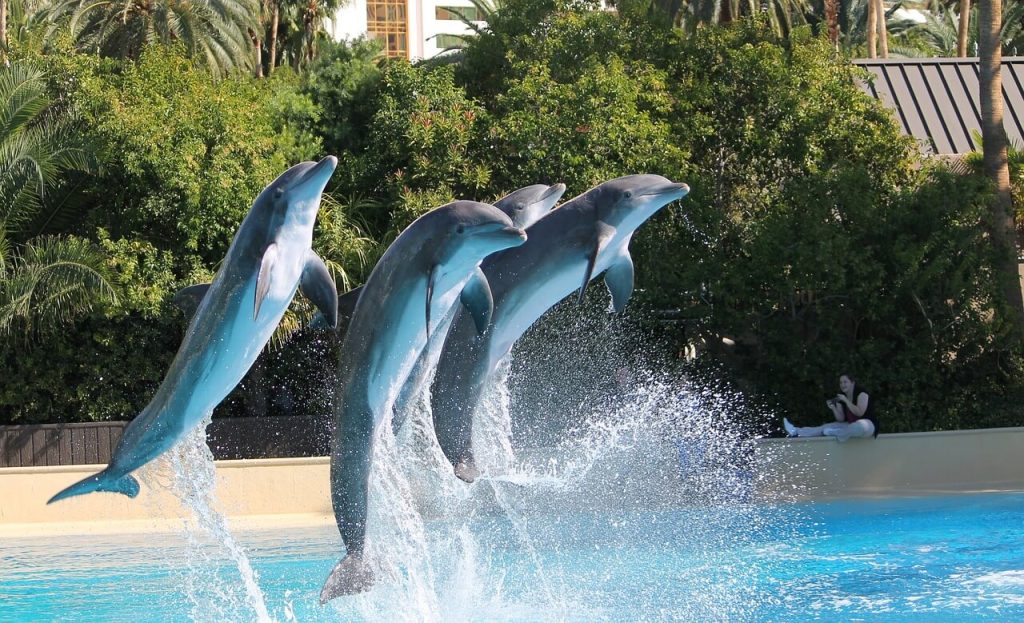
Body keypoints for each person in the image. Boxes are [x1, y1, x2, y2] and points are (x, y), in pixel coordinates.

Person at [783, 373, 878, 441]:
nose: (842, 385)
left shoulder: (861, 393)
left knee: (859, 426)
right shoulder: (841, 396)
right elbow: (840, 419)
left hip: (868, 426)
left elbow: (860, 412)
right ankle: (795, 431)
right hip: (848, 426)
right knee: (826, 427)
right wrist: (833, 408)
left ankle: (839, 433)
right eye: (841, 382)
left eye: (845, 382)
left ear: (852, 383)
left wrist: (846, 400)